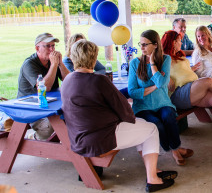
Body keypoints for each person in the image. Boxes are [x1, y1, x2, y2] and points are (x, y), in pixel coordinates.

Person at [61, 39, 175, 192]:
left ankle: (152, 169)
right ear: (94, 58)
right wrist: (129, 116)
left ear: (73, 57)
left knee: (142, 125)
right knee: (151, 129)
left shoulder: (67, 80)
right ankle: (153, 178)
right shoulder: (99, 80)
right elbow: (124, 110)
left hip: (78, 138)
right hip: (102, 138)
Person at [128, 30, 193, 166]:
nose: (142, 48)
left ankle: (175, 149)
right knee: (157, 124)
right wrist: (155, 87)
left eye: (145, 44)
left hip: (162, 103)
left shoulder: (165, 59)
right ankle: (175, 150)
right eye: (140, 44)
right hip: (142, 107)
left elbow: (163, 83)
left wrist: (152, 64)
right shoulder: (135, 63)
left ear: (156, 45)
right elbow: (132, 92)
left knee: (169, 117)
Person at [17, 33, 70, 140]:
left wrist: (60, 64)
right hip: (31, 108)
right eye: (48, 46)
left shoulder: (52, 61)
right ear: (37, 48)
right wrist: (54, 65)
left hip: (51, 104)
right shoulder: (29, 64)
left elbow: (69, 80)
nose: (52, 49)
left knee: (74, 115)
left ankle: (64, 140)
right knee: (50, 126)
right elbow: (45, 87)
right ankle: (35, 137)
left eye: (53, 46)